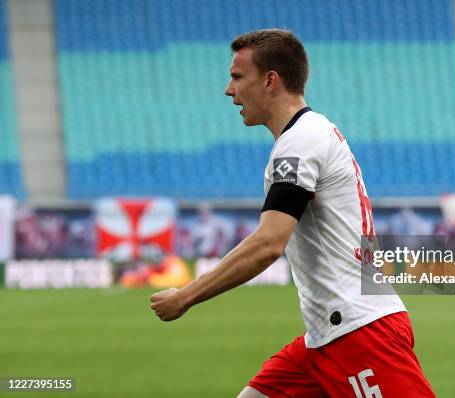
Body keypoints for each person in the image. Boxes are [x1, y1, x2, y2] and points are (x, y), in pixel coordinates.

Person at [150, 29, 436, 398]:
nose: (228, 89)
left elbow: (269, 243)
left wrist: (186, 296)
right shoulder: (311, 133)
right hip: (325, 336)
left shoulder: (299, 145)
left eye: (237, 77)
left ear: (271, 81)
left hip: (357, 333)